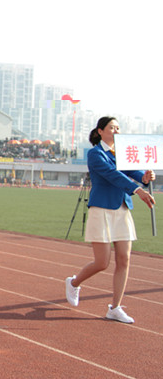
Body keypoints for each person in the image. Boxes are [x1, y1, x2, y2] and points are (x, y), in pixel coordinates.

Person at [65, 117, 156, 324]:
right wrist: (138, 189)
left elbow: (133, 172)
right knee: (102, 262)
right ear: (100, 131)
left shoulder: (122, 153)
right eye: (112, 128)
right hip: (102, 209)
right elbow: (112, 175)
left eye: (118, 128)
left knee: (124, 259)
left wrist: (145, 177)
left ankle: (115, 307)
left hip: (122, 209)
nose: (116, 131)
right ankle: (74, 282)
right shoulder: (95, 154)